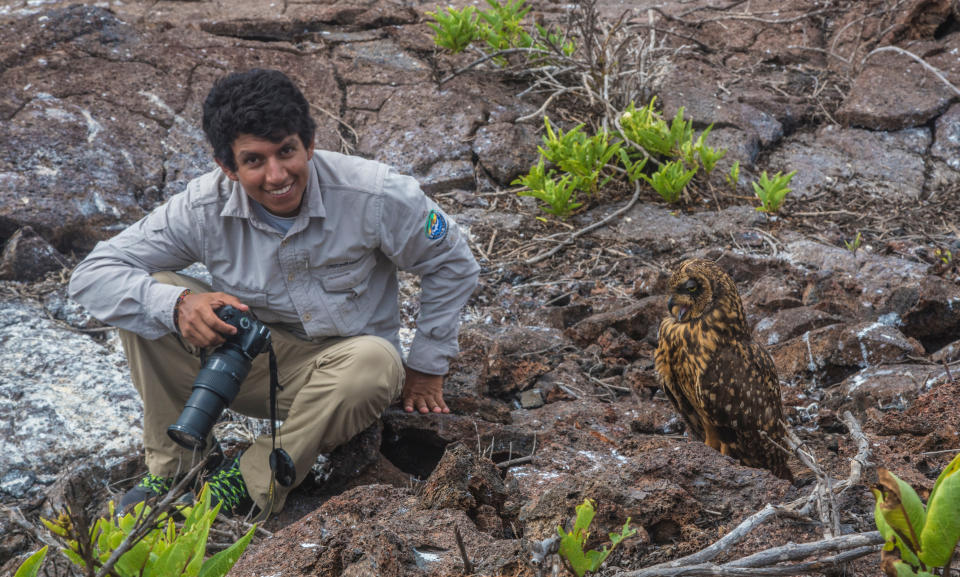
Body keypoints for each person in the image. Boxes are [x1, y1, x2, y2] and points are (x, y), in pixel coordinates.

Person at [68, 68, 480, 519]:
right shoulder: (202, 206)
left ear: (309, 143)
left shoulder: (376, 194)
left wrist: (426, 365)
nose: (277, 175)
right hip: (246, 365)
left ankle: (246, 482)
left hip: (347, 377)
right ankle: (177, 468)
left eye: (287, 151)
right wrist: (179, 306)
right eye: (254, 160)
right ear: (228, 166)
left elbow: (452, 262)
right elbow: (93, 274)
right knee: (158, 294)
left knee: (375, 361)